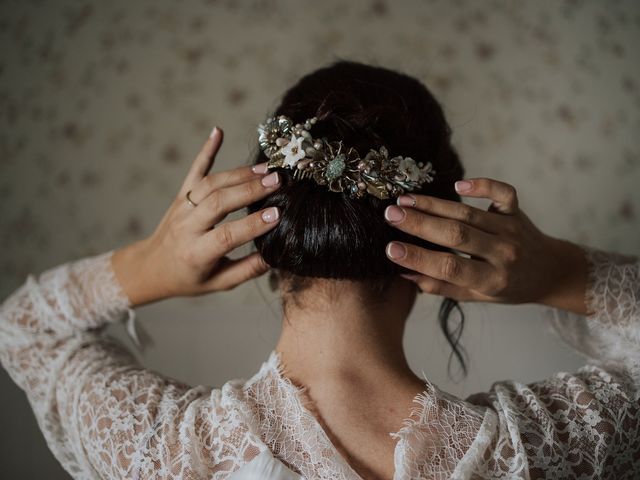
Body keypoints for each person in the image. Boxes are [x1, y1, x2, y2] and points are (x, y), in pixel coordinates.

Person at [0, 60, 638, 480]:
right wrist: (557, 272)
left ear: (278, 236)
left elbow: (21, 329)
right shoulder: (541, 449)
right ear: (445, 244)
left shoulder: (166, 451)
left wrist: (155, 265)